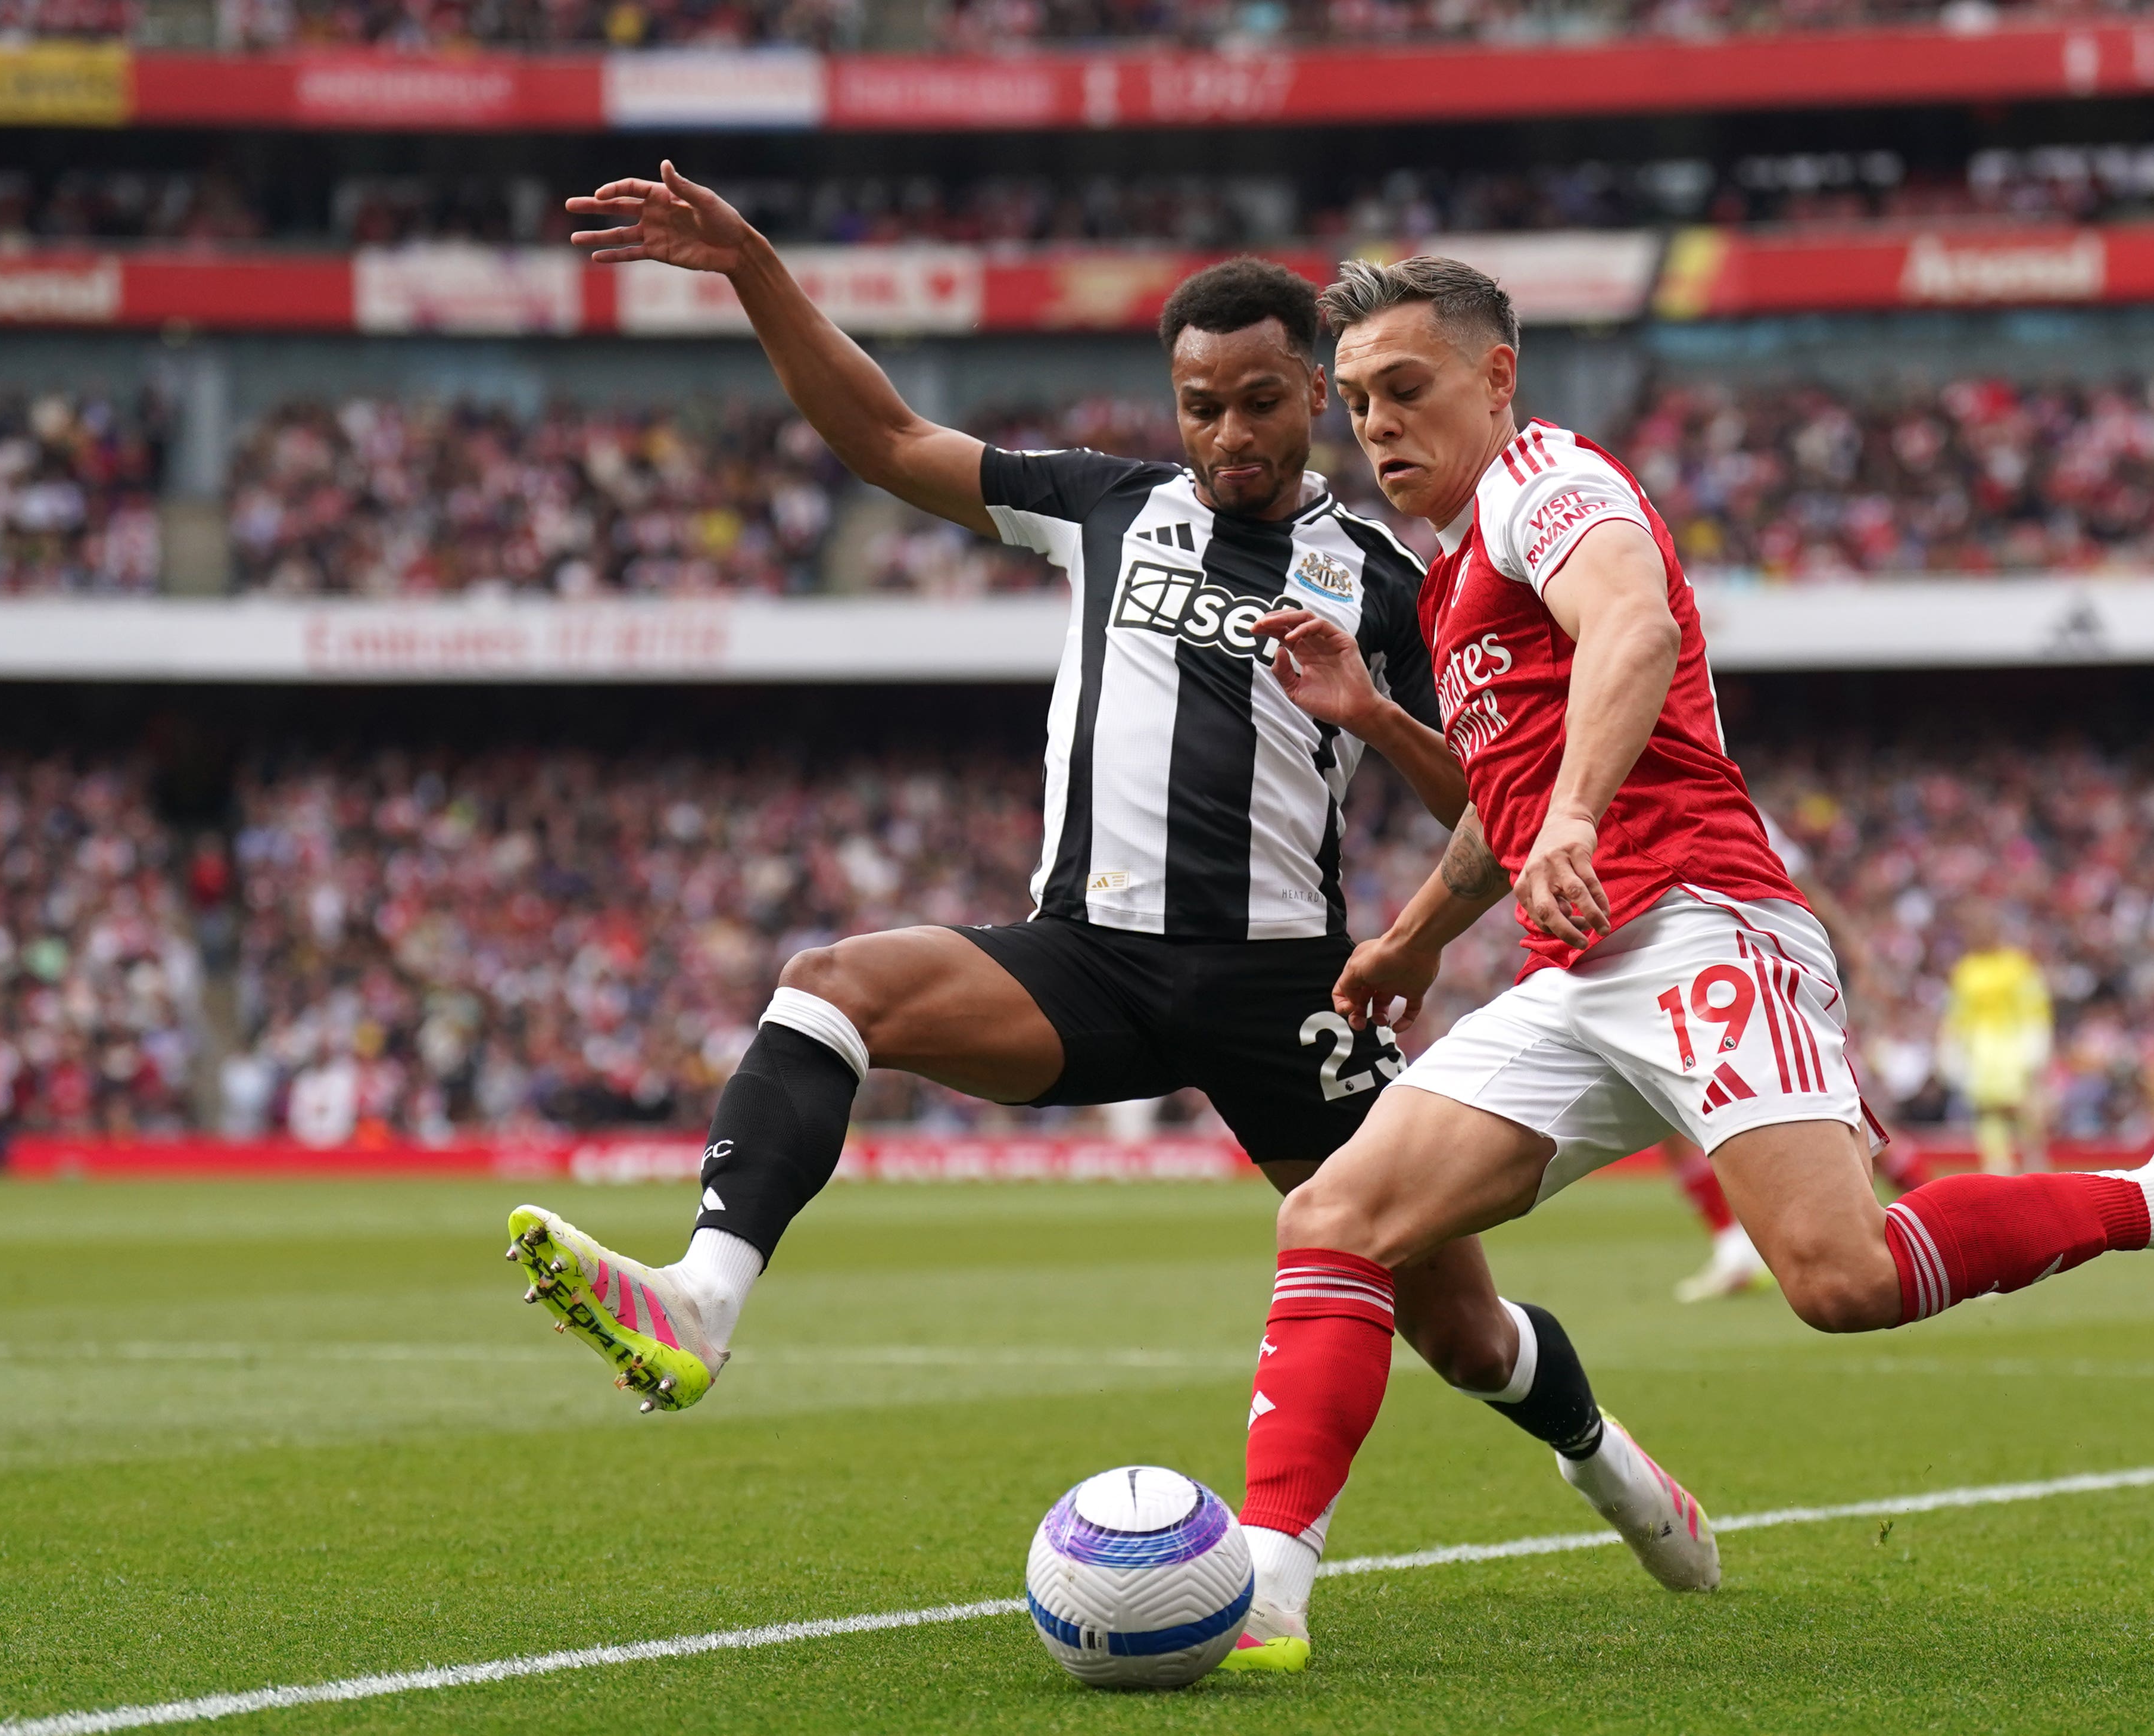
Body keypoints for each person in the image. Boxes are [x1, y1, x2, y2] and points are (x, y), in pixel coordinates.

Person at [503, 165, 1719, 1648]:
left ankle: (1610, 1466)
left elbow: (1488, 803)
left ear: (1314, 402)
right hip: (1081, 957)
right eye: (1200, 403)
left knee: (1457, 1327)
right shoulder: (1101, 506)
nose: (1226, 434)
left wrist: (1370, 707)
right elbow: (885, 437)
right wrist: (755, 263)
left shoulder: (1398, 581)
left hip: (1287, 993)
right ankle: (699, 1299)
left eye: (1261, 401)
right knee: (834, 983)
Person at [1222, 254, 2154, 1669]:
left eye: (1404, 389)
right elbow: (1499, 803)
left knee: (1840, 1279)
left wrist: (1578, 813)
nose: (1376, 426)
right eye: (1353, 403)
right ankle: (1263, 1588)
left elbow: (1635, 627)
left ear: (1496, 377)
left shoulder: (1550, 482)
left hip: (1699, 918)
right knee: (1334, 1218)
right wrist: (1408, 942)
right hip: (1582, 968)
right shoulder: (1457, 567)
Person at [1670, 806, 1929, 1301]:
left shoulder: (1720, 796)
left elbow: (1799, 878)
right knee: (1665, 1111)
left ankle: (1932, 1211)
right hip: (1690, 972)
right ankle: (1733, 1249)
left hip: (1756, 963)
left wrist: (1853, 949)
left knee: (1837, 1100)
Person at [1941, 903, 2053, 1174]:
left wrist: (2037, 1045)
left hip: (2013, 1048)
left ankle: (2034, 1163)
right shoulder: (1965, 971)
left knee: (2024, 1109)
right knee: (1988, 1113)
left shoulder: (2017, 966)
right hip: (1982, 1053)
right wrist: (1951, 1048)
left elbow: (2034, 1006)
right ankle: (1997, 1167)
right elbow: (1957, 1014)